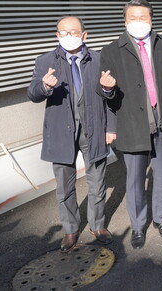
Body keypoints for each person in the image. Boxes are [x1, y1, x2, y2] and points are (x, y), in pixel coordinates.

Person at [28, 16, 115, 253]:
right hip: (61, 132)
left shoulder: (98, 59)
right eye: (63, 33)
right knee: (64, 187)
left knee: (97, 181)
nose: (68, 37)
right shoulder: (45, 60)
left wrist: (111, 126)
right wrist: (44, 87)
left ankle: (97, 225)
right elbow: (33, 93)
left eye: (73, 32)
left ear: (84, 35)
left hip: (94, 129)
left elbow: (111, 98)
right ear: (57, 35)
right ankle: (70, 229)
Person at [98, 0, 162, 250]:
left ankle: (161, 219)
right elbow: (104, 93)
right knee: (134, 180)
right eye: (133, 17)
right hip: (131, 124)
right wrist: (106, 88)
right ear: (125, 20)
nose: (138, 22)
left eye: (143, 17)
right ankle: (138, 226)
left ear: (151, 20)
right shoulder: (111, 50)